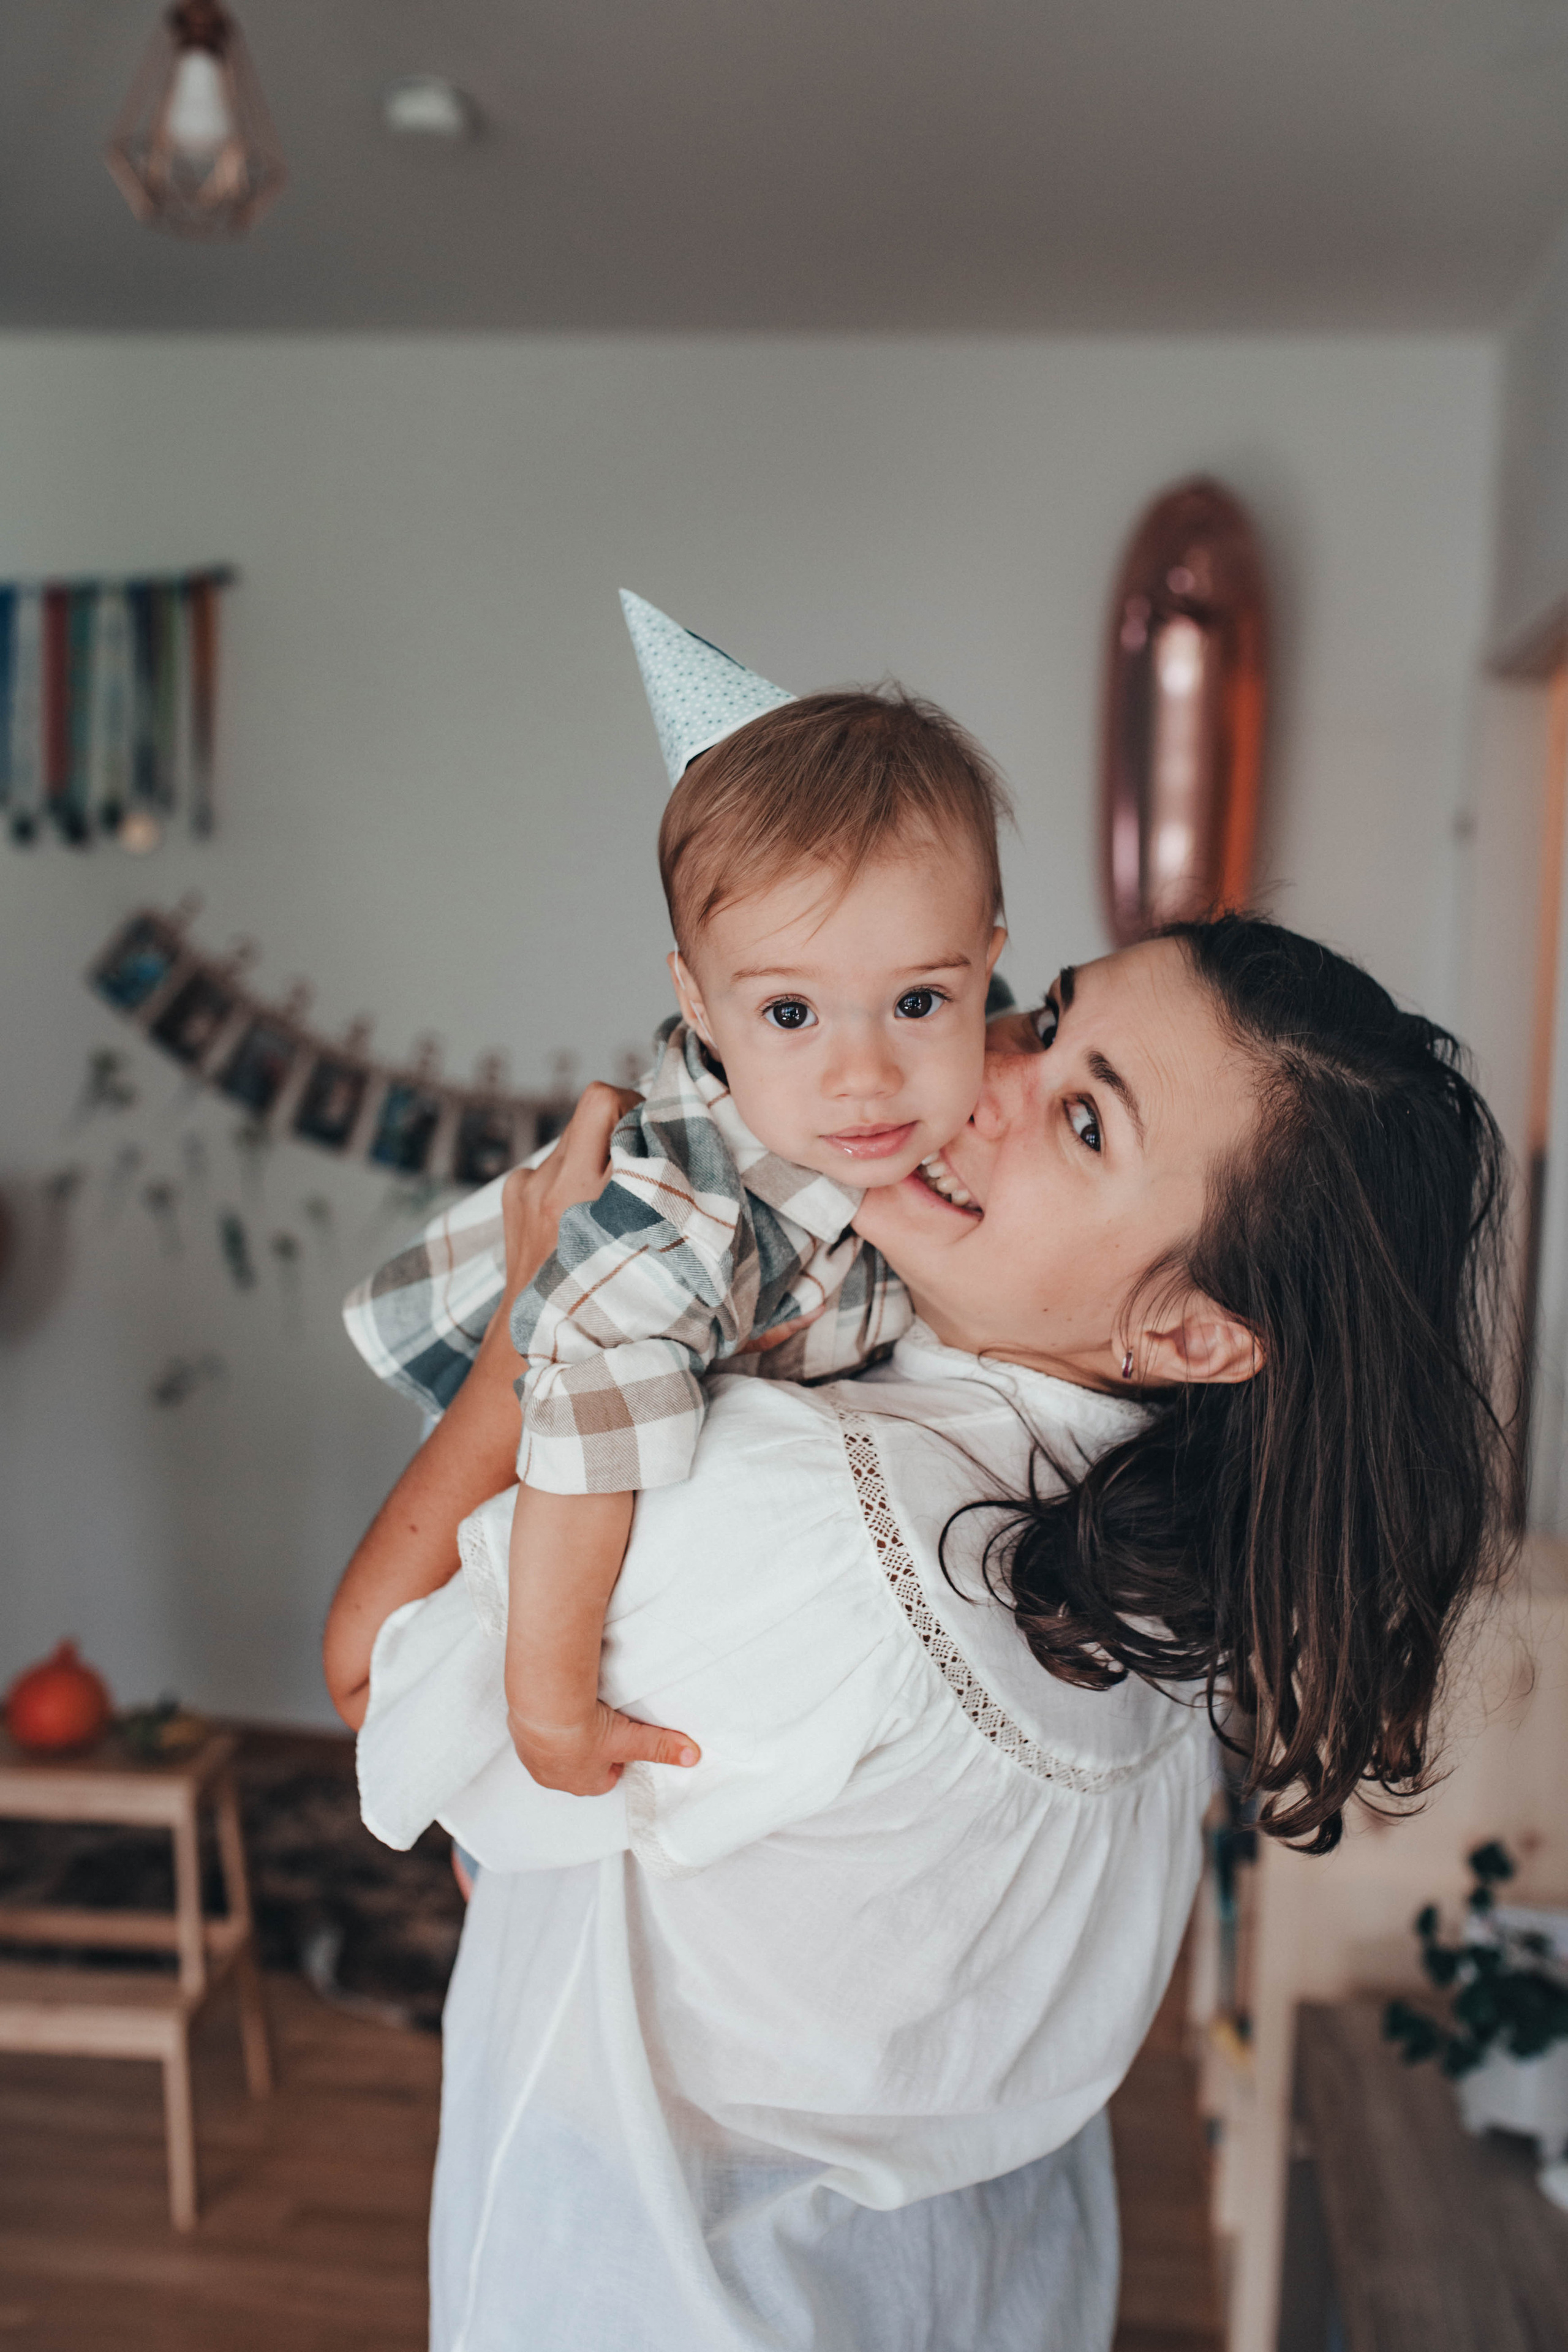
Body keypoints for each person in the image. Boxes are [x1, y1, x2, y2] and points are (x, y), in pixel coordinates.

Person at [325, 913, 1513, 2352]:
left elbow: (378, 1677)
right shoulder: (1167, 1591)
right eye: (1044, 1018)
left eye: (1083, 1120)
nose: (972, 1078)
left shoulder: (816, 1521)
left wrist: (538, 1322)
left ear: (1192, 1334)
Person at [348, 595, 1009, 1796]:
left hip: (711, 1460)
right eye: (790, 1013)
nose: (864, 1073)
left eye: (918, 1001)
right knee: (441, 1711)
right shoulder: (676, 1212)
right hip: (536, 1459)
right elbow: (579, 1463)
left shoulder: (973, 1096)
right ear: (699, 1005)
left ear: (987, 969)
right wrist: (548, 1714)